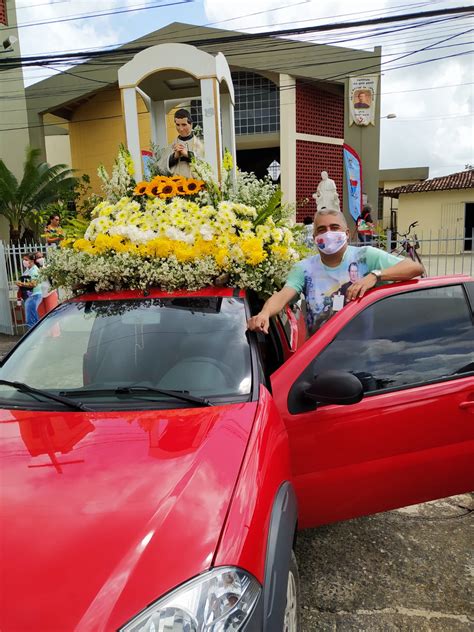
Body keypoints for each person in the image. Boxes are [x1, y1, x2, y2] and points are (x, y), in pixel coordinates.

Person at [247, 209, 424, 337]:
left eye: (334, 227)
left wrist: (375, 276)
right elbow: (284, 295)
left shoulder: (366, 256)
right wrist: (264, 313)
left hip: (364, 358)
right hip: (319, 359)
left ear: (346, 233)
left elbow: (414, 268)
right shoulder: (304, 268)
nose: (328, 233)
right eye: (322, 229)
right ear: (314, 235)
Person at [159, 108, 204, 178]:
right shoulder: (171, 146)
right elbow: (161, 168)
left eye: (184, 124)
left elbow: (206, 166)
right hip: (175, 185)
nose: (181, 128)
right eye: (178, 125)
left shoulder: (200, 145)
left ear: (191, 124)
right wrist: (174, 157)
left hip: (195, 185)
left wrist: (188, 155)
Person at [16, 253, 43, 330]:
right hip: (29, 296)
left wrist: (21, 283)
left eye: (26, 260)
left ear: (32, 260)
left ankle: (35, 340)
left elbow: (33, 284)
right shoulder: (29, 269)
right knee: (33, 318)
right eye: (23, 259)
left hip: (33, 296)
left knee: (31, 320)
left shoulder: (34, 270)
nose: (24, 261)